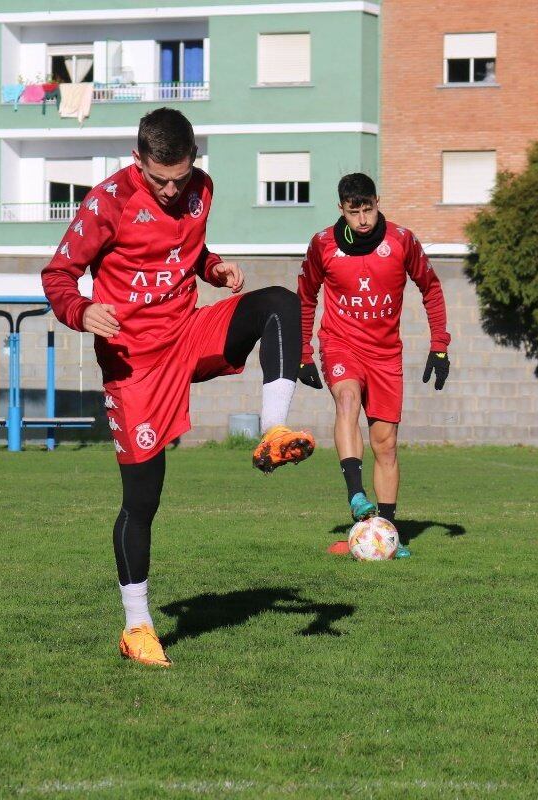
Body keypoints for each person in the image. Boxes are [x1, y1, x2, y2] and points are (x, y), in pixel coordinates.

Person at [41, 108, 316, 668]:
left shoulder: (201, 190)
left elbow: (185, 254)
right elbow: (57, 275)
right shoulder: (106, 203)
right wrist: (82, 310)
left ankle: (273, 430)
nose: (172, 190)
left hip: (187, 334)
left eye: (181, 177)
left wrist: (213, 270)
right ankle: (137, 625)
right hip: (134, 364)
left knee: (281, 304)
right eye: (160, 179)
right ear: (138, 159)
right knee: (143, 501)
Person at [297, 173, 450, 554]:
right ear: (341, 210)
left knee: (386, 444)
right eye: (354, 212)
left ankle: (386, 533)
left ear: (378, 202)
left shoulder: (402, 241)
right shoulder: (323, 245)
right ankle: (355, 495)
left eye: (368, 209)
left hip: (385, 355)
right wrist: (302, 353)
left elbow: (430, 288)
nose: (363, 219)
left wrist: (440, 346)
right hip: (340, 344)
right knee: (346, 400)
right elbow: (305, 296)